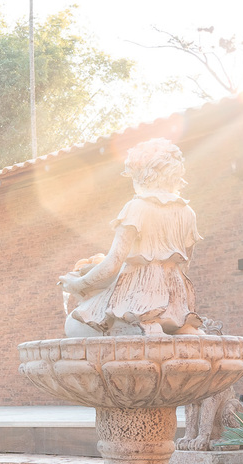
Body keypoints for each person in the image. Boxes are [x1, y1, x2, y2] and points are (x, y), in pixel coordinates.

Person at [58, 137, 203, 337]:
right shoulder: (188, 212)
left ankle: (143, 327)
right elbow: (185, 266)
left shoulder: (137, 207)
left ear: (142, 174)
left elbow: (113, 263)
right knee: (183, 331)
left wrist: (79, 284)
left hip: (137, 299)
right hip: (176, 302)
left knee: (74, 323)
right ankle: (183, 328)